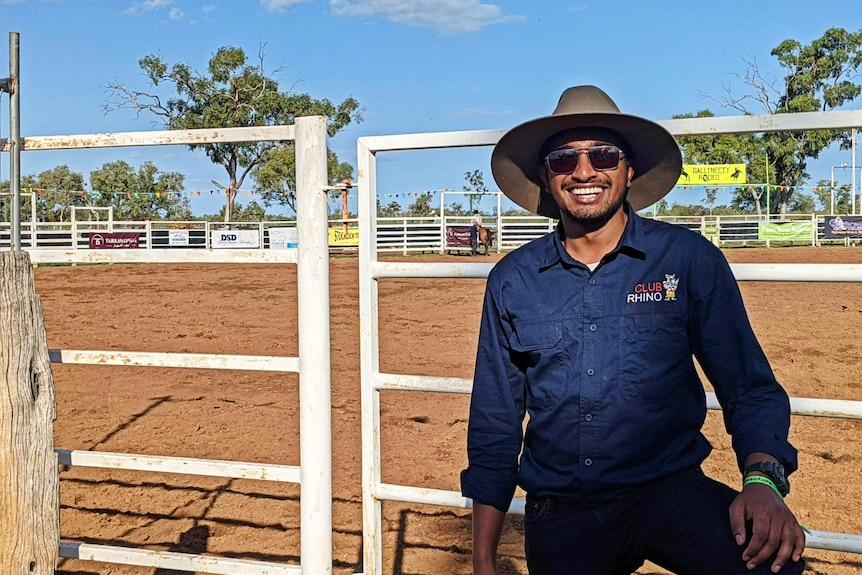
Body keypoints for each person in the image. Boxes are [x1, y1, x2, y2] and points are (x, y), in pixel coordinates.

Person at [460, 86, 805, 575]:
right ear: (545, 175)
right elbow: (495, 422)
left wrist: (763, 483)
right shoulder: (513, 280)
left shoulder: (687, 260)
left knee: (776, 566)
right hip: (563, 505)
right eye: (564, 159)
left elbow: (747, 385)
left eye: (602, 155)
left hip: (668, 487)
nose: (583, 171)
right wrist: (482, 559)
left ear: (628, 168)